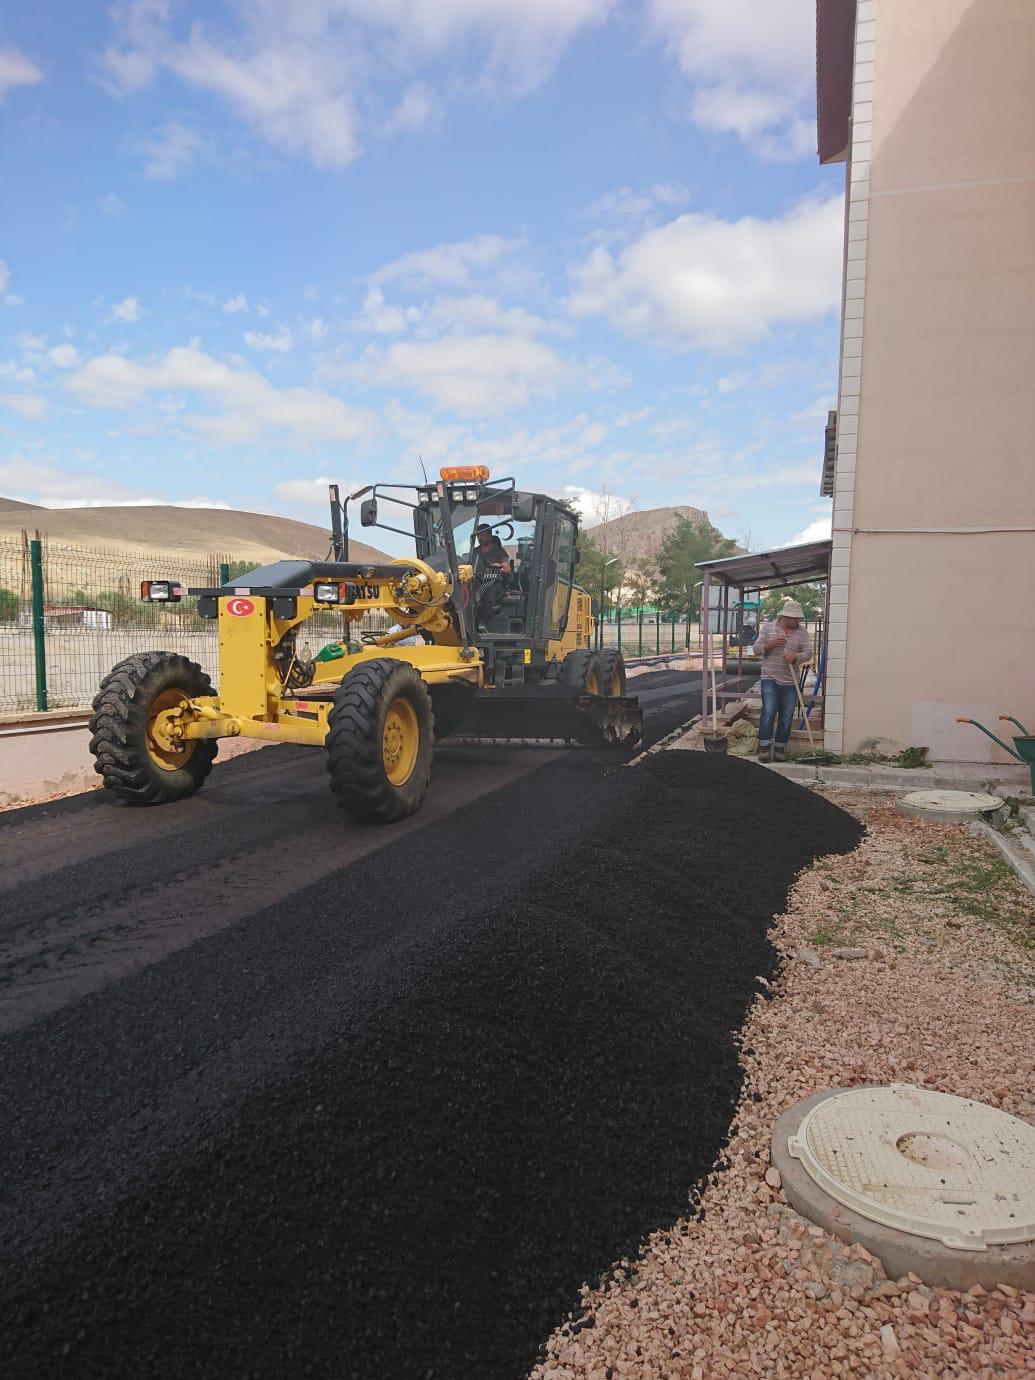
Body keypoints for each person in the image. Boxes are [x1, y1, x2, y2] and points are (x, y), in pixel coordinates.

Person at [752, 599, 812, 762]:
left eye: (799, 618)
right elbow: (756, 649)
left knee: (786, 715)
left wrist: (796, 657)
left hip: (790, 681)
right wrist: (771, 644)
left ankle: (780, 747)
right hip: (769, 677)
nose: (798, 621)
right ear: (785, 616)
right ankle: (764, 747)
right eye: (795, 618)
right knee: (769, 711)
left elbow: (808, 653)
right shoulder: (768, 628)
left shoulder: (802, 632)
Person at [473, 524, 512, 632]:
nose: (480, 538)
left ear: (489, 535)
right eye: (478, 536)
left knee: (490, 592)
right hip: (478, 582)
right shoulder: (475, 552)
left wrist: (499, 566)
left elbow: (507, 570)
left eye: (482, 535)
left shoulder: (499, 551)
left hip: (495, 583)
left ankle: (482, 621)